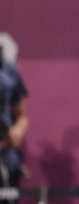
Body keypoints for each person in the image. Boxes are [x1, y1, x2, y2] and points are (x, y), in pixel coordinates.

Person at [0, 46, 28, 202]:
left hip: (5, 150)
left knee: (13, 167)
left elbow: (22, 117)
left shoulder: (9, 70)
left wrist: (18, 129)